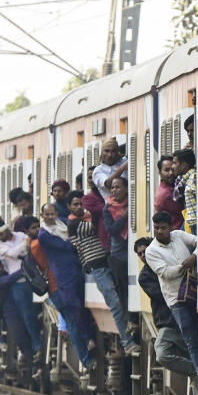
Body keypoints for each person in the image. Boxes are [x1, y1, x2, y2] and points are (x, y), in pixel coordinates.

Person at [144, 211, 198, 395]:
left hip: (195, 292)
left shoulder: (179, 236)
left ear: (170, 226)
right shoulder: (151, 251)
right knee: (191, 338)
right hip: (176, 300)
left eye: (163, 228)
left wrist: (194, 256)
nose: (160, 231)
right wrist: (187, 263)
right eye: (156, 228)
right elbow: (165, 273)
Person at [65, 190, 138, 356]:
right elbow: (95, 225)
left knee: (120, 300)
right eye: (75, 204)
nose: (79, 207)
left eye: (81, 204)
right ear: (68, 207)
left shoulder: (85, 219)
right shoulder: (74, 224)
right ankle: (127, 343)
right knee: (116, 305)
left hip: (106, 262)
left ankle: (129, 337)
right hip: (97, 267)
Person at [27, 215, 96, 385]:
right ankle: (86, 357)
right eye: (34, 227)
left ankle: (87, 352)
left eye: (38, 226)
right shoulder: (38, 244)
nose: (38, 229)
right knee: (72, 320)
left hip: (58, 287)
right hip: (58, 288)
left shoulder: (35, 244)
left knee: (72, 320)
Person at [134, 237, 196, 379]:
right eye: (140, 254)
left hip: (185, 315)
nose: (143, 255)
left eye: (145, 251)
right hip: (167, 321)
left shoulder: (169, 261)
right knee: (162, 355)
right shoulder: (144, 277)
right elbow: (162, 293)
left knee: (194, 352)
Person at [0, 212, 43, 360]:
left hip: (34, 278)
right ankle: (37, 346)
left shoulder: (19, 235)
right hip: (18, 284)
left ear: (6, 230)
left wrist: (23, 249)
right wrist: (25, 245)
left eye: (0, 234)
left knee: (37, 311)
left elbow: (20, 252)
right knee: (27, 316)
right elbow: (14, 253)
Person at [101, 176, 134, 305]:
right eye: (112, 187)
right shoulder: (108, 208)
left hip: (133, 250)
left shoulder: (133, 203)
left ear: (126, 189)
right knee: (123, 288)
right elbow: (111, 229)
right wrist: (124, 216)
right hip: (118, 255)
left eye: (118, 187)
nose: (114, 190)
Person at [92, 137, 131, 203]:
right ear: (102, 152)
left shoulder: (124, 161)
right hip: (113, 208)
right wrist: (122, 168)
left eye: (113, 151)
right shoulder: (98, 171)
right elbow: (108, 183)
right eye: (107, 151)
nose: (110, 155)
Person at [172, 148, 198, 234]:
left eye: (175, 163)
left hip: (195, 225)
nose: (172, 167)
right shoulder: (184, 180)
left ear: (184, 165)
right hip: (190, 223)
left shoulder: (193, 179)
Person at [153, 154, 184, 227]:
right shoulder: (165, 194)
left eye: (172, 169)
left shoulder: (175, 185)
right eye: (167, 170)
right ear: (159, 173)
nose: (171, 173)